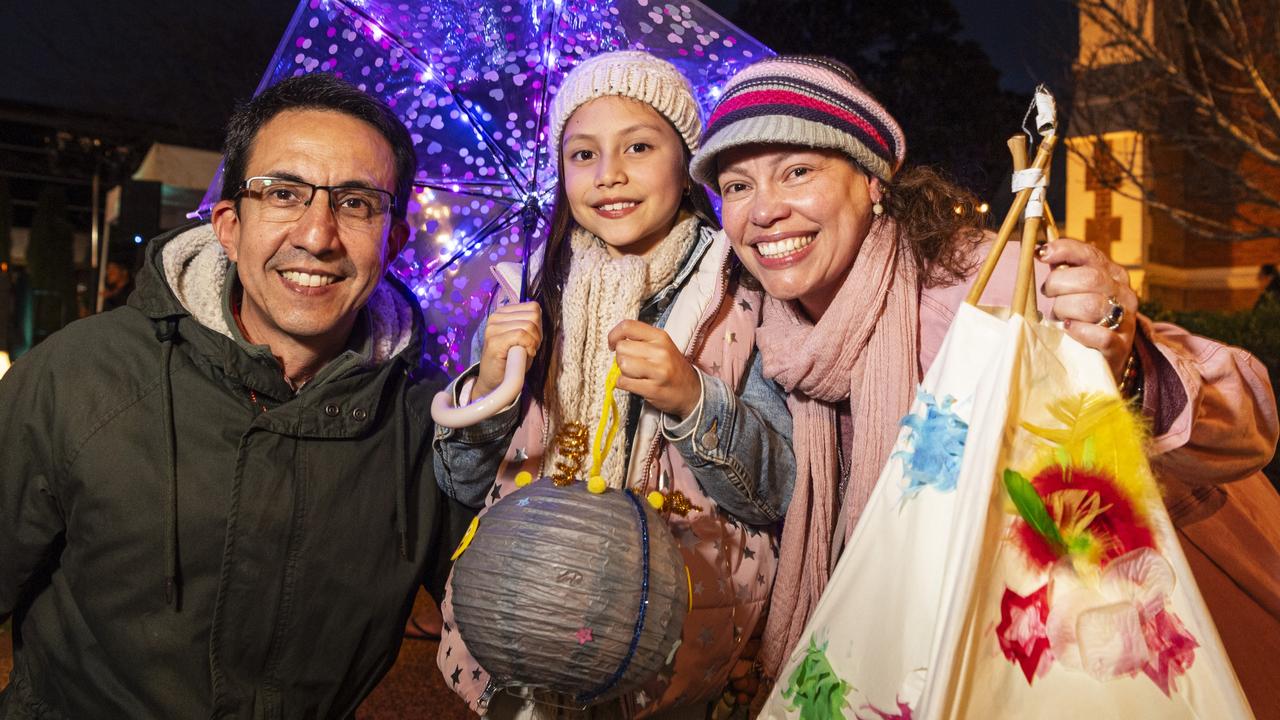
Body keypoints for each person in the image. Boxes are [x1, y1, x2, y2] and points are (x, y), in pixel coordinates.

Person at [689, 55, 1280, 715]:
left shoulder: (983, 286)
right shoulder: (755, 333)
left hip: (1077, 669)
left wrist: (1123, 353)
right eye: (737, 186)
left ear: (872, 182)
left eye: (797, 172)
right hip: (905, 671)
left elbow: (1248, 420)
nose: (765, 210)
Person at [0, 73, 471, 718]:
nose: (317, 235)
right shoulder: (78, 375)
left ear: (393, 238)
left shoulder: (433, 422)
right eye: (283, 193)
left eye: (357, 203)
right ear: (228, 224)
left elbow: (516, 628)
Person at [432, 51, 794, 718]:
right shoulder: (528, 291)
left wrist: (692, 399)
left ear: (686, 163)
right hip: (529, 608)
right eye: (582, 155)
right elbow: (458, 481)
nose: (610, 175)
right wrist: (487, 384)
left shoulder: (743, 291)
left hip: (681, 625)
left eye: (638, 146)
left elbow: (776, 490)